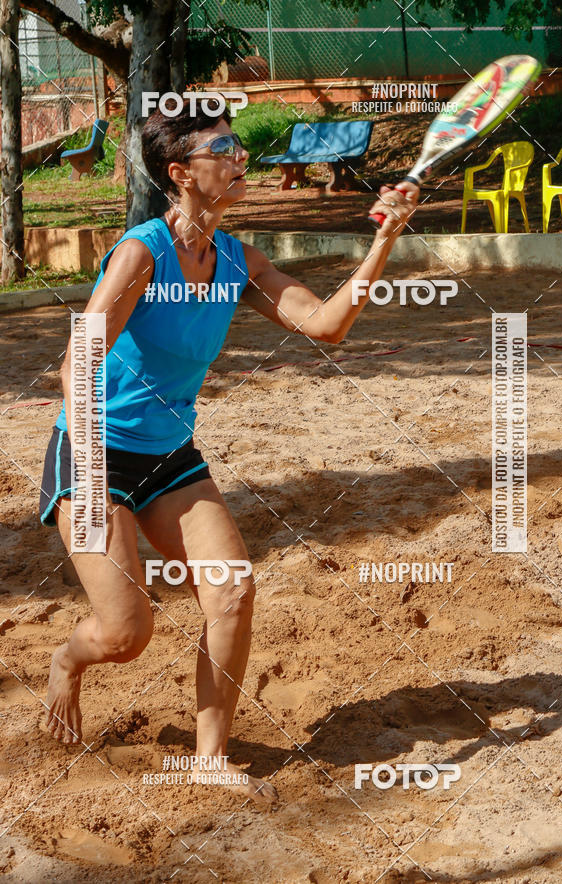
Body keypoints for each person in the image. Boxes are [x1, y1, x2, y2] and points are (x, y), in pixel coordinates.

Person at [40, 101, 419, 805]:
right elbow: (76, 364)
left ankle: (210, 759)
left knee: (232, 589)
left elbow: (325, 325)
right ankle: (69, 656)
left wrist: (383, 240)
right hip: (93, 448)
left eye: (241, 147)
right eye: (224, 150)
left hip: (169, 457)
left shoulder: (237, 259)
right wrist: (92, 477)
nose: (241, 159)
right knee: (127, 634)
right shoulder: (141, 251)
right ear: (181, 173)